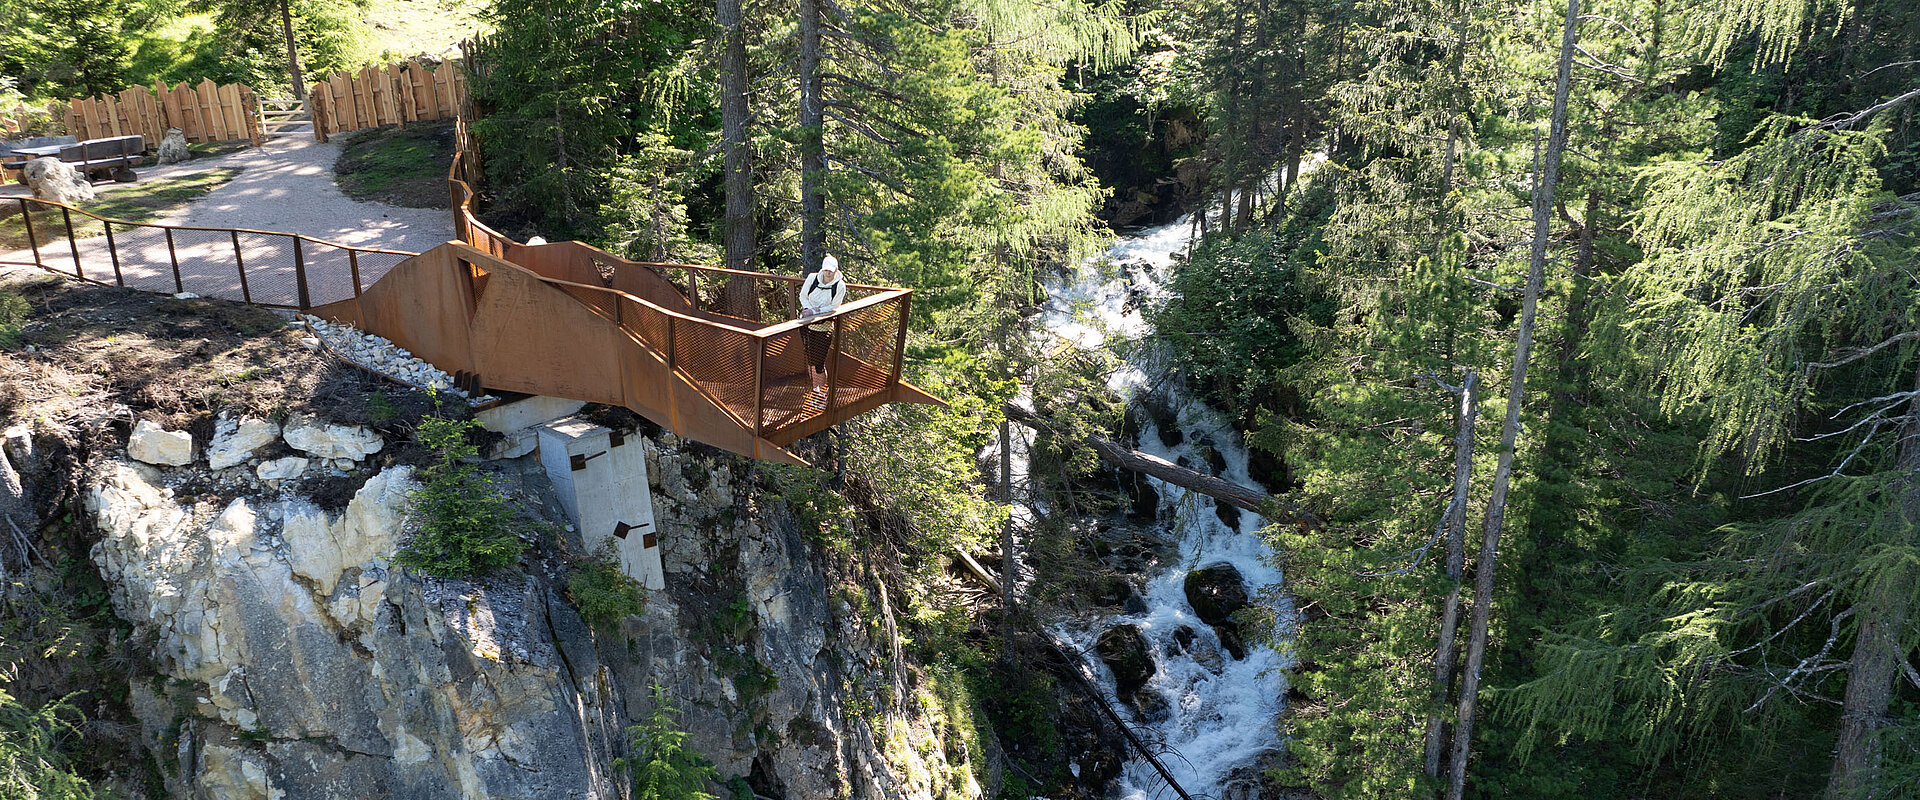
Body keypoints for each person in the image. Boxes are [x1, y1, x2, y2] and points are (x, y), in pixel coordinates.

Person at [799, 255, 847, 384]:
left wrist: (814, 311)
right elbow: (803, 296)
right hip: (806, 324)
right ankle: (815, 389)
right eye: (826, 270)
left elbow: (834, 306)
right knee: (809, 359)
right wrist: (808, 309)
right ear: (822, 269)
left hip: (824, 327)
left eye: (831, 270)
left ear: (836, 270)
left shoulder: (840, 286)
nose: (828, 273)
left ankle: (821, 394)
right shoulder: (812, 278)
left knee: (819, 363)